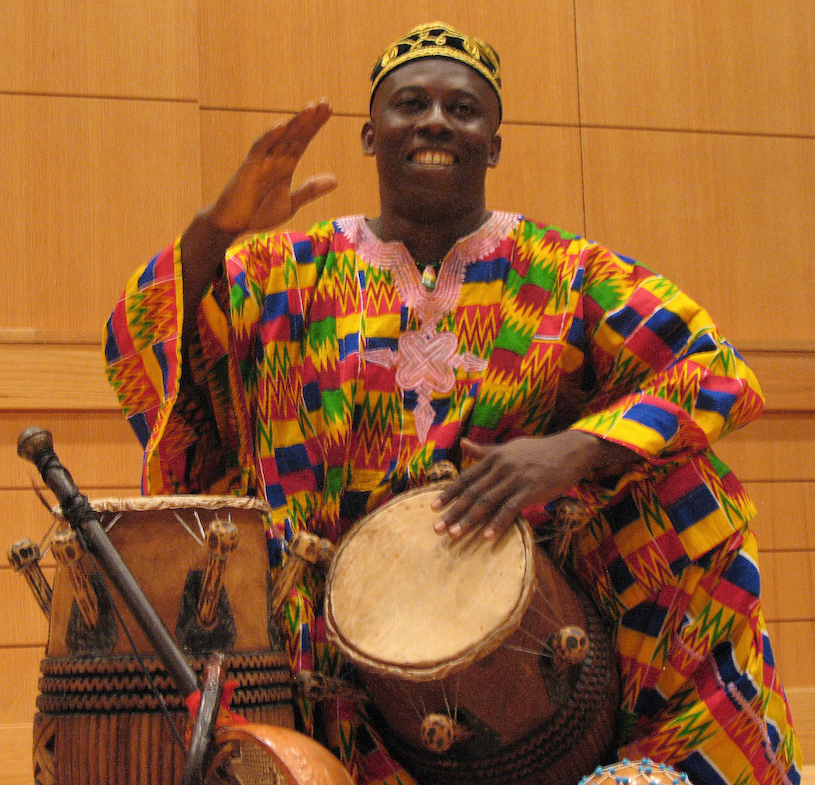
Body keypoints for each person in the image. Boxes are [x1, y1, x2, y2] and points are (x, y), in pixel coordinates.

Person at [104, 21, 802, 785]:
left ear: (493, 145)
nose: (435, 121)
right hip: (328, 634)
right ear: (371, 136)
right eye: (410, 104)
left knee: (686, 487)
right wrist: (218, 227)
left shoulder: (564, 271)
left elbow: (710, 368)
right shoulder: (278, 269)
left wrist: (574, 448)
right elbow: (147, 347)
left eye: (462, 109)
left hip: (529, 610)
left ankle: (664, 756)